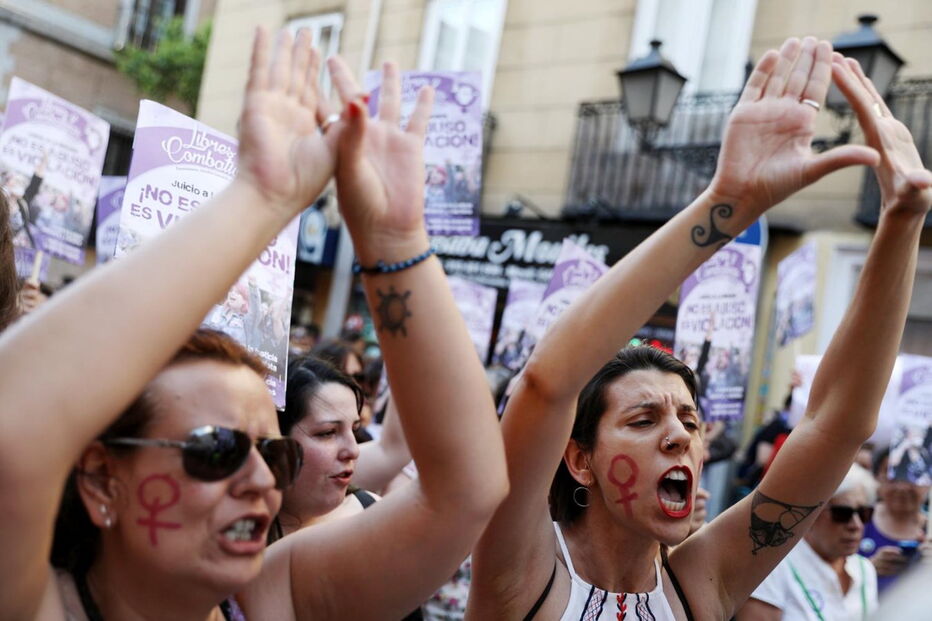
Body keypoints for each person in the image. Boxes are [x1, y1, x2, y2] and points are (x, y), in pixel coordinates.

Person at [0, 28, 508, 620]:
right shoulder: (32, 603)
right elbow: (12, 426)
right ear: (101, 478)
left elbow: (468, 489)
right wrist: (262, 197)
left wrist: (395, 240)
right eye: (215, 448)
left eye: (275, 455)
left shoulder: (273, 594)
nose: (260, 483)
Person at [467, 38, 932, 621]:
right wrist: (726, 206)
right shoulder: (523, 572)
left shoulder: (702, 584)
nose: (679, 436)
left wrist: (902, 222)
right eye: (643, 419)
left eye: (689, 420)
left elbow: (835, 426)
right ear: (580, 460)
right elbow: (547, 382)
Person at [736, 464, 879, 620]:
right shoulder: (772, 568)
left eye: (864, 513)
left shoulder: (864, 569)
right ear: (809, 515)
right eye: (842, 514)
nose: (856, 525)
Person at [858, 447, 928, 593]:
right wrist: (867, 570)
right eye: (892, 474)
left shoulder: (929, 531)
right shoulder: (851, 517)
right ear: (876, 477)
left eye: (913, 475)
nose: (902, 487)